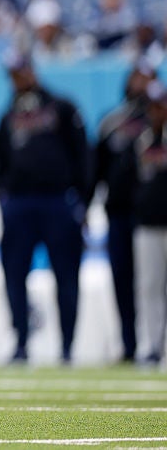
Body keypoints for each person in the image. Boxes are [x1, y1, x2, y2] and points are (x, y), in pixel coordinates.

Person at [0, 52, 89, 363]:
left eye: (21, 72)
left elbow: (82, 155)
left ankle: (67, 346)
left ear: (32, 71)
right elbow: (0, 161)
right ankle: (21, 341)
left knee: (66, 275)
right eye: (13, 74)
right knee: (14, 274)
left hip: (57, 201)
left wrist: (82, 201)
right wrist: (4, 198)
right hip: (20, 203)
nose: (18, 79)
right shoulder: (8, 114)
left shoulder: (61, 107)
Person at [94, 60, 158, 362]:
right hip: (119, 213)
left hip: (153, 217)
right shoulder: (112, 122)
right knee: (123, 280)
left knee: (153, 282)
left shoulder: (159, 123)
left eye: (147, 78)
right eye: (137, 77)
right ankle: (130, 344)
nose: (141, 84)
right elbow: (96, 168)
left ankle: (154, 344)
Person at [121, 80, 167, 367]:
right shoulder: (141, 140)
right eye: (153, 107)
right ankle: (151, 345)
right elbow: (128, 179)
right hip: (147, 223)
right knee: (149, 286)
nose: (157, 112)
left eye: (161, 106)